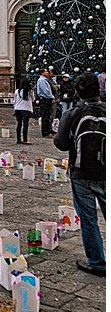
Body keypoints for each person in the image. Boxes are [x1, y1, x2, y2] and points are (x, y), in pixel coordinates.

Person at [54, 73, 106, 277]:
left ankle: (97, 263)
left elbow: (61, 144)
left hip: (81, 172)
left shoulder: (72, 113)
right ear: (99, 89)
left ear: (77, 91)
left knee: (88, 218)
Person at [36, 67, 56, 138]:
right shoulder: (42, 80)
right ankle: (45, 132)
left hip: (46, 99)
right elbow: (46, 91)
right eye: (46, 71)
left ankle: (47, 130)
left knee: (47, 116)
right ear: (42, 73)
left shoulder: (44, 80)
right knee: (45, 116)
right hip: (45, 99)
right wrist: (52, 97)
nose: (47, 73)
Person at [13, 77, 34, 144]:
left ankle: (18, 139)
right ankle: (25, 139)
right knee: (25, 124)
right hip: (26, 109)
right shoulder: (30, 92)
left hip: (18, 109)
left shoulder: (17, 91)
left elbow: (14, 101)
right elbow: (33, 99)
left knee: (19, 124)